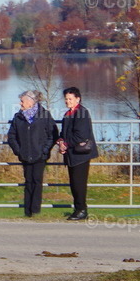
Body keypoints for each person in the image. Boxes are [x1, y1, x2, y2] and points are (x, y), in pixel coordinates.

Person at [7, 90, 58, 217]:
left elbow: (53, 135)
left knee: (37, 181)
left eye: (22, 101)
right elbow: (11, 136)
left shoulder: (44, 116)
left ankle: (35, 210)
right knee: (28, 181)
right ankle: (27, 210)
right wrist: (19, 151)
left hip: (39, 155)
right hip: (25, 155)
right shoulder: (18, 117)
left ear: (30, 102)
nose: (20, 103)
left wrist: (45, 150)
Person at [57, 86, 99, 221]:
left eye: (70, 99)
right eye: (66, 99)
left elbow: (81, 135)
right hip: (72, 154)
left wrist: (66, 144)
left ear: (77, 99)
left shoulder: (82, 113)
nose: (67, 101)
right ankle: (78, 208)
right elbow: (64, 133)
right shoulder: (68, 114)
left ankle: (81, 210)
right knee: (74, 183)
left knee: (79, 183)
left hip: (81, 155)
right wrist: (61, 141)